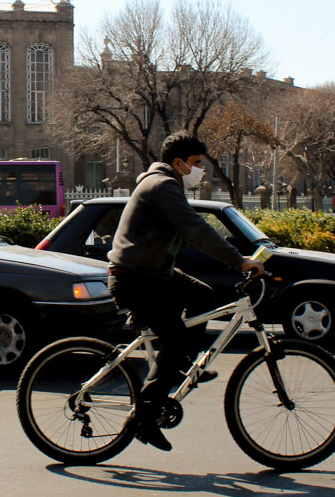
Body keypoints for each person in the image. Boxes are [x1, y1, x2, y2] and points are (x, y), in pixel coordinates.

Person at [107, 131, 264, 452]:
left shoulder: (166, 184)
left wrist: (235, 260)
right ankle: (144, 418)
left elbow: (192, 232)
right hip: (135, 279)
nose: (199, 170)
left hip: (153, 274)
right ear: (177, 163)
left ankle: (179, 364)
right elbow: (195, 228)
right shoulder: (163, 186)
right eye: (195, 163)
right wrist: (239, 261)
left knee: (203, 295)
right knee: (176, 338)